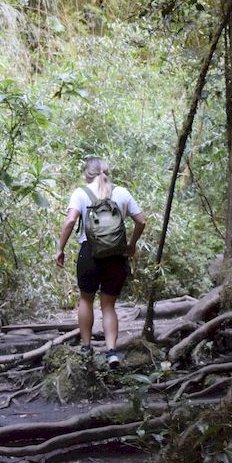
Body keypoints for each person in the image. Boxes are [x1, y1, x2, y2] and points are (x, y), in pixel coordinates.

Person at [54, 157, 146, 366]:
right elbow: (141, 221)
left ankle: (86, 348)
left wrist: (60, 249)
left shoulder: (81, 193)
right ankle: (111, 351)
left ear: (87, 174)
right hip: (116, 256)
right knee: (108, 306)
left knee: (86, 300)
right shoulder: (121, 193)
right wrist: (131, 244)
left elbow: (69, 221)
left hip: (89, 254)